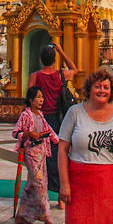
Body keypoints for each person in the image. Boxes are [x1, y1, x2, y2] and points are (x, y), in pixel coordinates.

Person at [58, 68, 113, 224]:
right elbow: (62, 149)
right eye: (98, 86)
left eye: (106, 87)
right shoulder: (75, 112)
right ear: (89, 89)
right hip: (80, 182)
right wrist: (64, 184)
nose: (102, 91)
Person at [27, 40, 78, 205]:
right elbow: (75, 69)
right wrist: (62, 51)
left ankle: (41, 195)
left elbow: (28, 99)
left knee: (38, 158)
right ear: (54, 60)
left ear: (41, 59)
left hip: (39, 120)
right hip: (57, 120)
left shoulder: (35, 76)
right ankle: (60, 198)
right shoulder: (60, 75)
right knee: (56, 157)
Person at [13, 85, 61, 224]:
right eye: (38, 97)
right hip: (31, 153)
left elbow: (50, 131)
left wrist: (60, 141)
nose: (41, 100)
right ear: (31, 100)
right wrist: (28, 134)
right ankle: (46, 218)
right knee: (40, 184)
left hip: (41, 153)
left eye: (42, 97)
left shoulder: (40, 115)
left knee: (33, 184)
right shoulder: (25, 115)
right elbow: (16, 132)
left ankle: (21, 214)